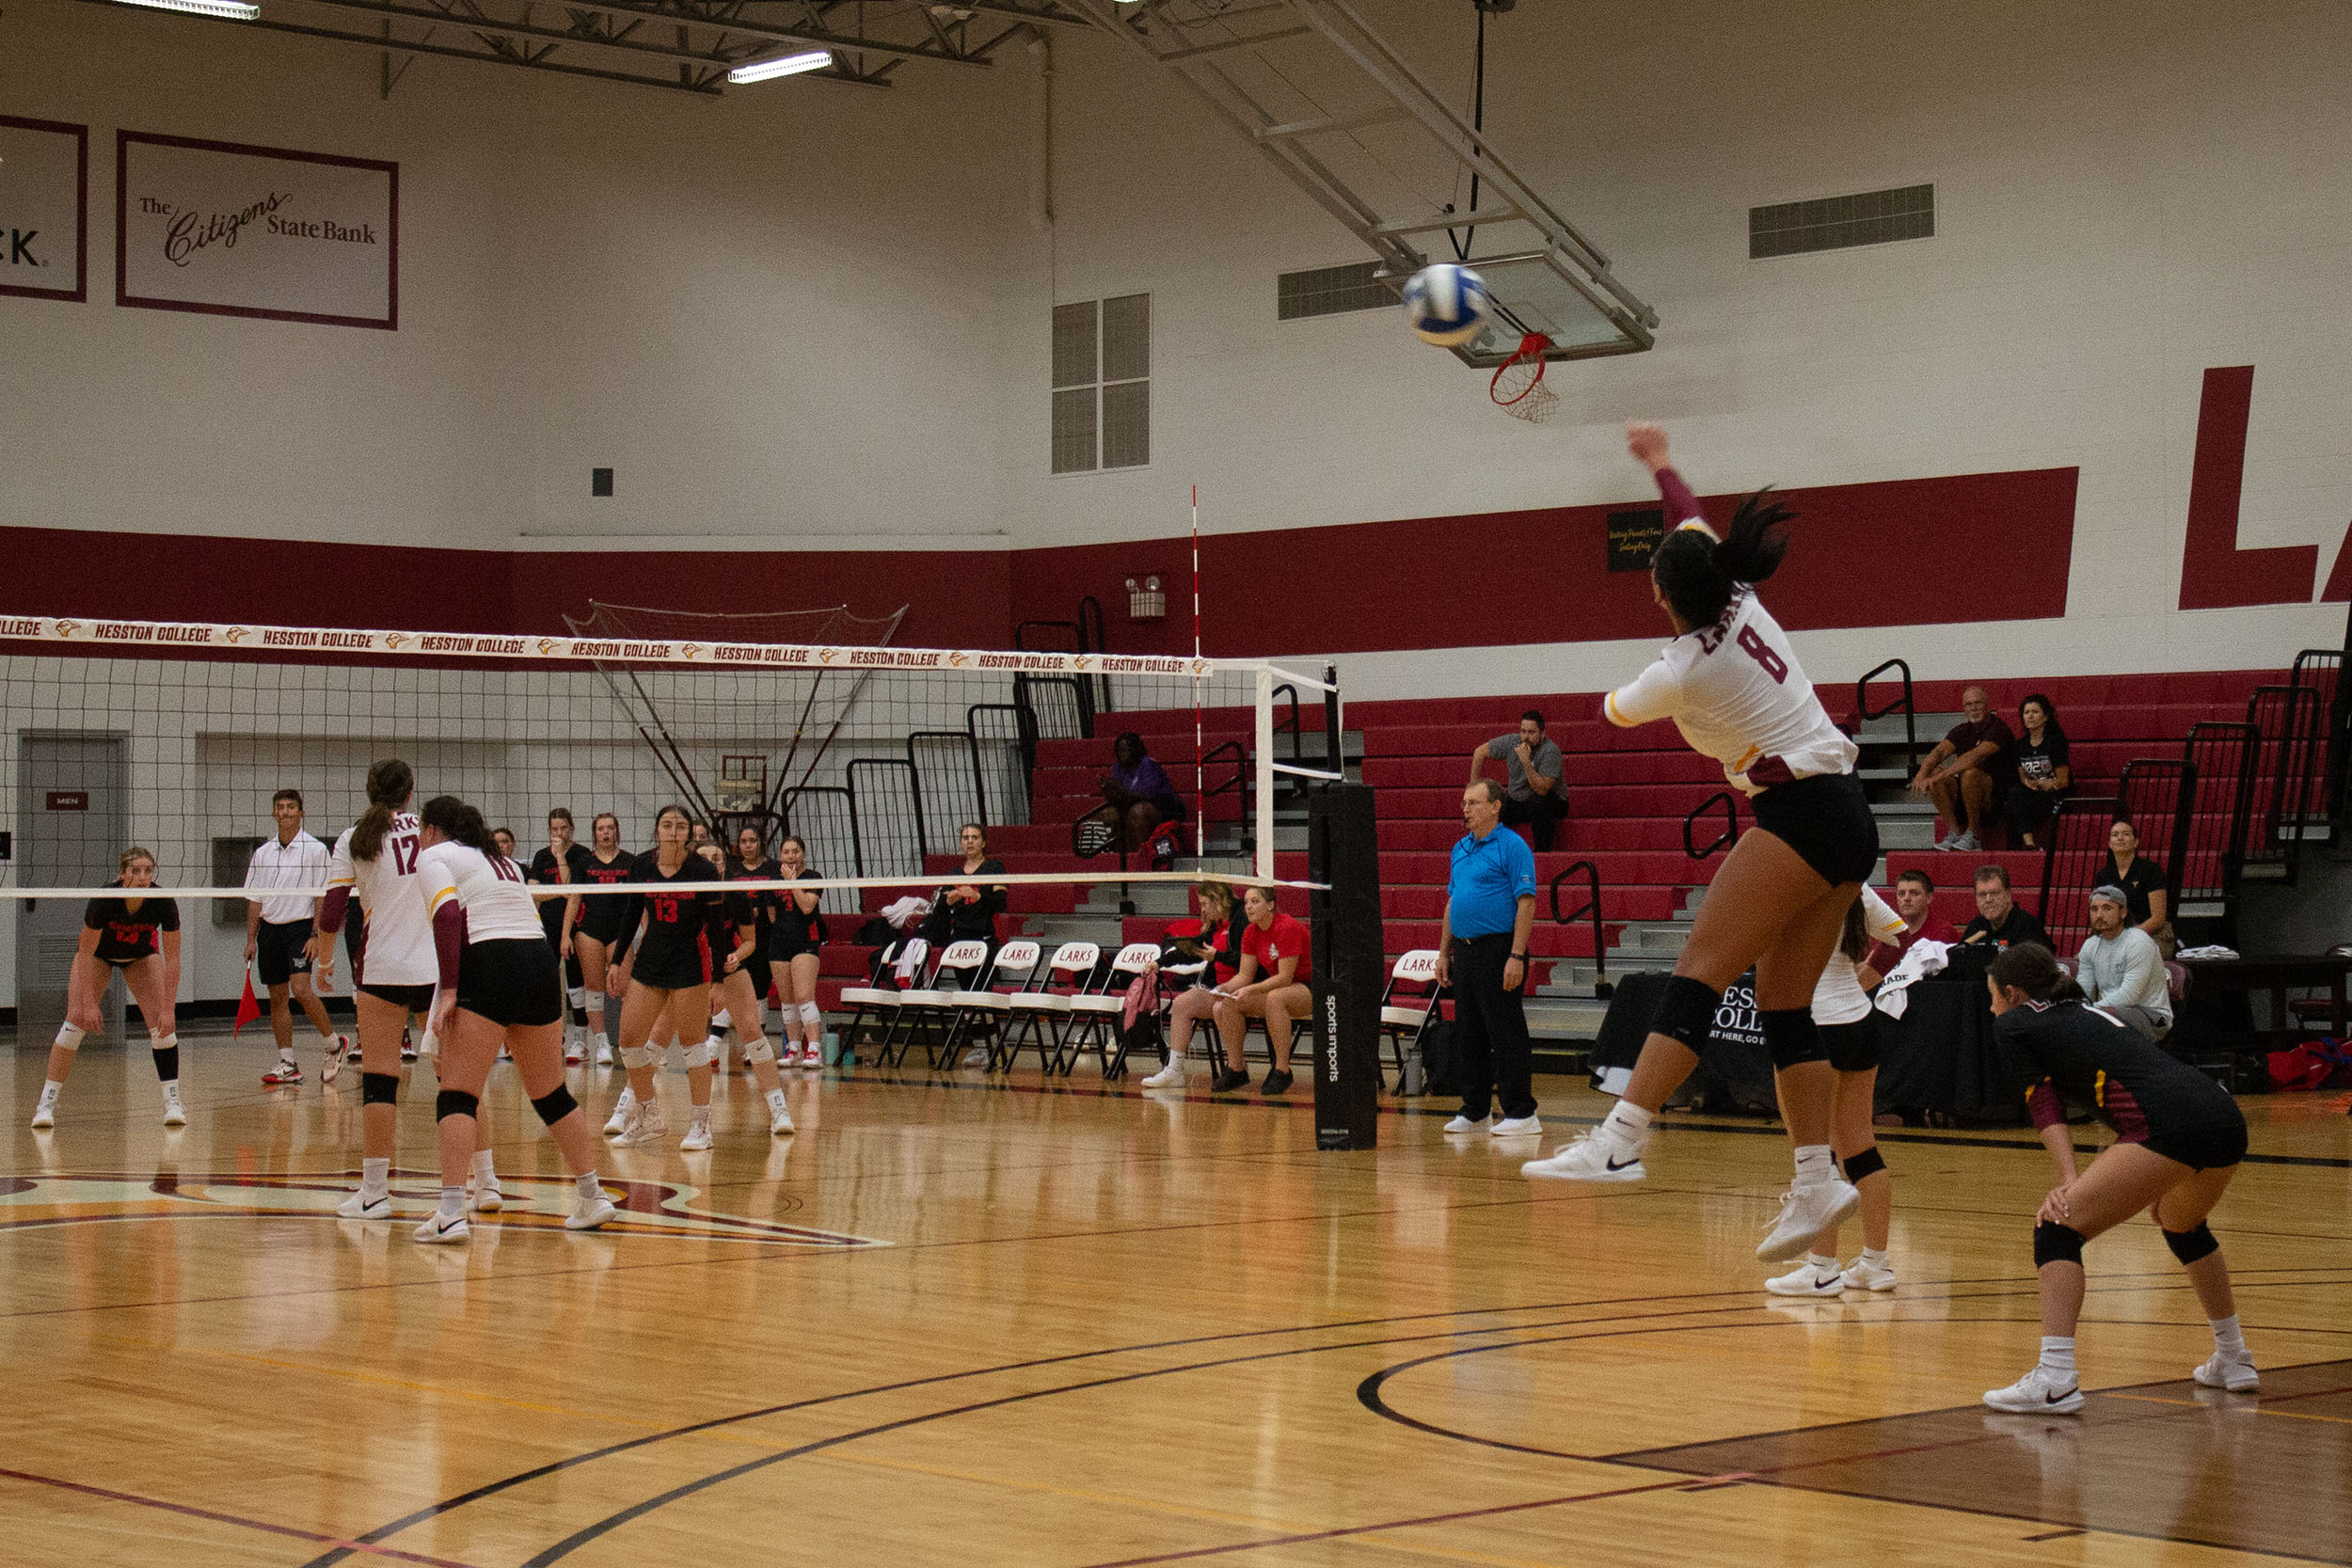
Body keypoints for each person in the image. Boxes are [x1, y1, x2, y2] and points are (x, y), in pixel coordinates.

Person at [1523, 422, 1879, 1268]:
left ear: (1668, 596)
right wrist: (1661, 465)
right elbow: (1688, 519)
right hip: (1841, 811)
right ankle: (1815, 1177)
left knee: (1698, 972)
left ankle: (1620, 1137)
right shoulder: (1742, 596)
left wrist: (1662, 667)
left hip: (1803, 812)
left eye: (1653, 587)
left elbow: (1614, 709)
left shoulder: (1679, 668)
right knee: (1784, 1004)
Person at [1979, 942, 2255, 1412]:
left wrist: (2067, 1178)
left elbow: (2042, 1100)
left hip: (2169, 1123)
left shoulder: (2014, 1022)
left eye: (1992, 996)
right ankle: (2233, 1357)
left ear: (2011, 993)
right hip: (2223, 1115)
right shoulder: (2087, 1011)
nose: (1991, 1007)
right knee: (2180, 1223)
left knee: (2057, 1230)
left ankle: (2056, 1377)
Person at [408, 796, 616, 1243]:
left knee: (458, 1094)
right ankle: (592, 1194)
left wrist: (448, 990)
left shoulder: (434, 856)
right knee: (551, 1093)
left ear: (431, 829)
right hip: (538, 964)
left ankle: (449, 1213)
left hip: (489, 961)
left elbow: (446, 916)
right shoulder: (499, 860)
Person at [314, 759, 502, 1220]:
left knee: (379, 1080)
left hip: (380, 968)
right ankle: (488, 1183)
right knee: (459, 1082)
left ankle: (375, 1192)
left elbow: (333, 912)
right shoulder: (435, 832)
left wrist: (323, 960)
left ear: (368, 791)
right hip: (438, 972)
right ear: (410, 791)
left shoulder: (353, 838)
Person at [1767, 886, 1907, 1296]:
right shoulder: (1855, 885)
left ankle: (1821, 1269)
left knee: (1813, 1152)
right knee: (1860, 1146)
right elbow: (1901, 935)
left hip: (1810, 1027)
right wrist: (1860, 979)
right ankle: (1875, 1265)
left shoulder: (1786, 880)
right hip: (1859, 1021)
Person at [606, 804, 739, 1148]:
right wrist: (617, 961)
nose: (674, 831)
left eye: (680, 826)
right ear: (658, 830)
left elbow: (715, 927)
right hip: (650, 960)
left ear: (688, 833)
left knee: (694, 1047)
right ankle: (648, 1116)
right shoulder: (642, 865)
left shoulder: (702, 869)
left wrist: (719, 981)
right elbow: (631, 914)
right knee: (629, 1041)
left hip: (689, 963)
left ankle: (700, 1125)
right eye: (667, 825)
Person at [33, 847, 183, 1130]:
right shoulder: (105, 899)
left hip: (140, 957)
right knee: (75, 1020)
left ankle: (173, 1102)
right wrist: (90, 1004)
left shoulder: (162, 900)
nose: (142, 877)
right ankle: (46, 1104)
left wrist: (168, 1008)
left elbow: (173, 957)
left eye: (148, 871)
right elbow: (86, 952)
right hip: (98, 957)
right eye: (136, 871)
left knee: (162, 1027)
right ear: (122, 874)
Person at [1437, 780, 1541, 1135]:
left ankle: (1521, 1113)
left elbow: (1526, 900)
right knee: (1470, 1032)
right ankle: (1476, 1110)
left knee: (1506, 1030)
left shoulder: (1513, 846)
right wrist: (1442, 952)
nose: (1465, 809)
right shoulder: (1460, 849)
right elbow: (1453, 901)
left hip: (1499, 948)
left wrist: (1516, 954)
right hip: (1464, 951)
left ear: (1495, 806)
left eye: (1474, 803)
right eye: (1464, 803)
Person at [245, 788, 350, 1087]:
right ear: (274, 813)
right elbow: (255, 899)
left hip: (300, 929)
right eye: (281, 807)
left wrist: (316, 934)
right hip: (270, 930)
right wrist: (251, 939)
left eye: (292, 807)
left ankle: (333, 1045)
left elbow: (323, 897)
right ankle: (288, 1062)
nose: (286, 812)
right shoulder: (262, 853)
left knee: (301, 989)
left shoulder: (315, 850)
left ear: (301, 813)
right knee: (277, 998)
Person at [692, 843, 795, 1134]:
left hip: (728, 966)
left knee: (751, 1030)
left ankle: (779, 1110)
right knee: (668, 1037)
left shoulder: (736, 895)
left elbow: (749, 941)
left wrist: (736, 956)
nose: (713, 863)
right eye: (706, 858)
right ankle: (633, 1107)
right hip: (690, 968)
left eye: (718, 858)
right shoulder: (686, 893)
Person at [1210, 884, 1312, 1096]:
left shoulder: (1287, 927)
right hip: (1281, 987)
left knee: (1274, 998)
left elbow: (1285, 977)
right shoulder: (1251, 932)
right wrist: (1225, 988)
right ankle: (1236, 1067)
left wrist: (1250, 990)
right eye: (1246, 902)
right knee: (1227, 1002)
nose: (1248, 907)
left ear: (1271, 905)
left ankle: (1282, 1069)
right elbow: (1244, 976)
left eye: (1255, 901)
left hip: (1309, 987)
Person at [1142, 880, 1244, 1088]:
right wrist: (1158, 963)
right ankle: (1174, 1070)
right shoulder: (1217, 925)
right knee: (1182, 1004)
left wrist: (1219, 956)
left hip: (1244, 985)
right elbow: (1193, 951)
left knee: (1221, 1005)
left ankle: (1237, 1066)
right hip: (1219, 987)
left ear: (1218, 900)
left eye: (1205, 904)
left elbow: (1247, 959)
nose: (1203, 910)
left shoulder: (1242, 920)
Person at [1909, 686, 2011, 853]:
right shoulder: (1962, 730)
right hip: (1968, 796)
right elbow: (1939, 752)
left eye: (1977, 703)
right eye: (1968, 704)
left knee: (1969, 773)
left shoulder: (1999, 729)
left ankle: (1974, 835)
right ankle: (1955, 832)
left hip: (1996, 800)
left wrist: (1941, 775)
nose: (1973, 708)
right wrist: (1921, 775)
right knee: (1935, 774)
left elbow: (1975, 756)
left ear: (1987, 705)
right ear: (1963, 709)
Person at [571, 812, 636, 1066]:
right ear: (594, 833)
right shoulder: (584, 863)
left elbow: (639, 901)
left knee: (625, 989)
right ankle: (601, 1044)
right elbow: (574, 898)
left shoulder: (630, 862)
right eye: (601, 829)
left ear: (617, 831)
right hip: (589, 931)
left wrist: (647, 930)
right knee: (594, 988)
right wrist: (566, 934)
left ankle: (630, 1041)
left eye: (610, 828)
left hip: (620, 932)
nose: (606, 833)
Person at [2076, 885, 2172, 1040]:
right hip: (2106, 1010)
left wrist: (2090, 1011)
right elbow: (2083, 988)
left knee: (2103, 1019)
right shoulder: (2090, 945)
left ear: (2123, 912)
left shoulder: (2138, 942)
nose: (2099, 915)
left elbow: (2129, 995)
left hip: (2150, 1016)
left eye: (2107, 908)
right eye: (2094, 909)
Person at [767, 835, 830, 1069]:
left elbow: (806, 906)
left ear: (803, 854)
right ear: (781, 856)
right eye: (786, 852)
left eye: (795, 851)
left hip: (806, 941)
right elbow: (772, 913)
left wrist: (792, 880)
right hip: (780, 942)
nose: (791, 856)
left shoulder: (813, 877)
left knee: (804, 995)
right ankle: (793, 1048)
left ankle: (814, 1049)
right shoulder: (774, 880)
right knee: (787, 1000)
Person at [1470, 710, 1567, 851]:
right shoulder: (1512, 742)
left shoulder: (1550, 752)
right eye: (1523, 731)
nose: (1526, 737)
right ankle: (1485, 851)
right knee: (1491, 805)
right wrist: (1474, 788)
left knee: (1538, 803)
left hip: (1551, 800)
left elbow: (1542, 789)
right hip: (1519, 800)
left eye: (1532, 732)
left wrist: (1526, 762)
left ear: (1542, 734)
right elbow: (1479, 753)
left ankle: (1542, 853)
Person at [1856, 870, 1961, 989]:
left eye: (1914, 893)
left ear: (1929, 898)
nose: (1906, 898)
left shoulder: (1944, 932)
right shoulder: (1889, 933)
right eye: (1901, 894)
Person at [1095, 732, 1186, 863]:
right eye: (1120, 750)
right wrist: (1108, 790)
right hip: (1132, 807)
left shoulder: (1149, 765)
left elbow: (1146, 796)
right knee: (1107, 814)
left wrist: (1119, 791)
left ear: (1136, 749)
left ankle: (1142, 860)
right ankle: (1116, 859)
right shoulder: (1118, 769)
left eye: (1126, 749)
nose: (1123, 753)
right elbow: (1119, 799)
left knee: (1137, 812)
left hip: (1163, 809)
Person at [2006, 693, 2071, 848]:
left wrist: (2050, 785)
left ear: (2045, 716)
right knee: (2014, 797)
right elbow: (2023, 778)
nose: (2030, 716)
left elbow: (2063, 780)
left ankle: (2022, 848)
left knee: (2016, 806)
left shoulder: (2055, 741)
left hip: (2055, 794)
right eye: (2026, 712)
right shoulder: (2019, 745)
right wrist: (2031, 783)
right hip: (2033, 793)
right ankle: (2026, 846)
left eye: (2035, 712)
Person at [2100, 818, 2173, 955]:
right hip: (2117, 934)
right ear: (2110, 844)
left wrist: (2128, 937)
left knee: (2133, 956)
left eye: (2126, 834)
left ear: (2136, 842)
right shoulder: (2104, 875)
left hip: (2152, 932)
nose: (2120, 838)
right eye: (2115, 835)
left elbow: (2158, 918)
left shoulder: (2150, 870)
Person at [1959, 864, 2052, 951]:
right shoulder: (1976, 926)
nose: (1988, 900)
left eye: (1994, 893)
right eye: (1982, 895)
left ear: (2008, 894)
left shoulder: (2028, 927)